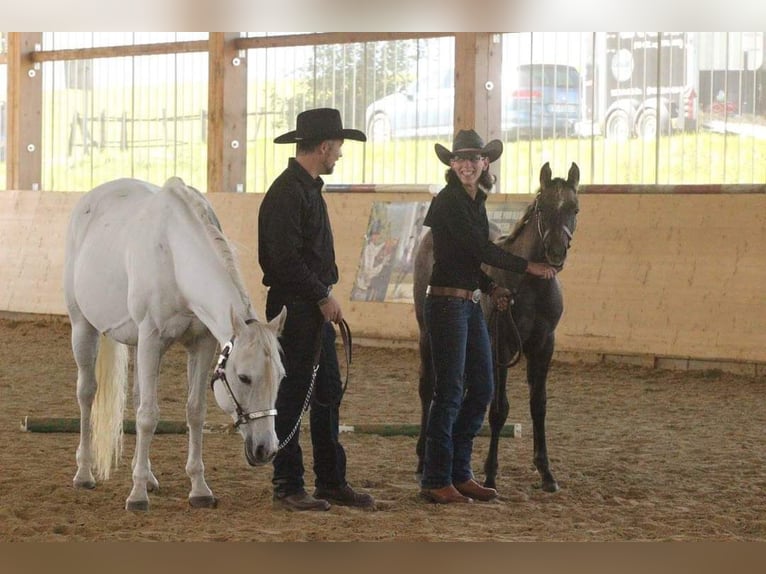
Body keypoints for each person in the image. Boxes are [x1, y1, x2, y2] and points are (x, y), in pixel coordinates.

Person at [420, 129, 557, 504]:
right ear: (453, 165)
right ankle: (436, 477)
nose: (466, 164)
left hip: (467, 301)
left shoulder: (474, 201)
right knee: (449, 392)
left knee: (483, 387)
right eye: (460, 159)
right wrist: (528, 267)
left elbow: (466, 258)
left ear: (485, 163)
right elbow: (481, 248)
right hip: (448, 304)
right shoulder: (448, 202)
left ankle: (460, 472)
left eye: (473, 159)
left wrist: (491, 286)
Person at [258, 108, 375, 511]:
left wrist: (326, 285)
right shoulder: (288, 194)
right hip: (298, 308)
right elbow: (284, 261)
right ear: (324, 146)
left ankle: (330, 480)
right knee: (293, 396)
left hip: (312, 307)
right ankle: (287, 483)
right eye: (338, 146)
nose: (339, 154)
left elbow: (305, 254)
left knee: (325, 393)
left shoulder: (305, 189)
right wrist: (323, 295)